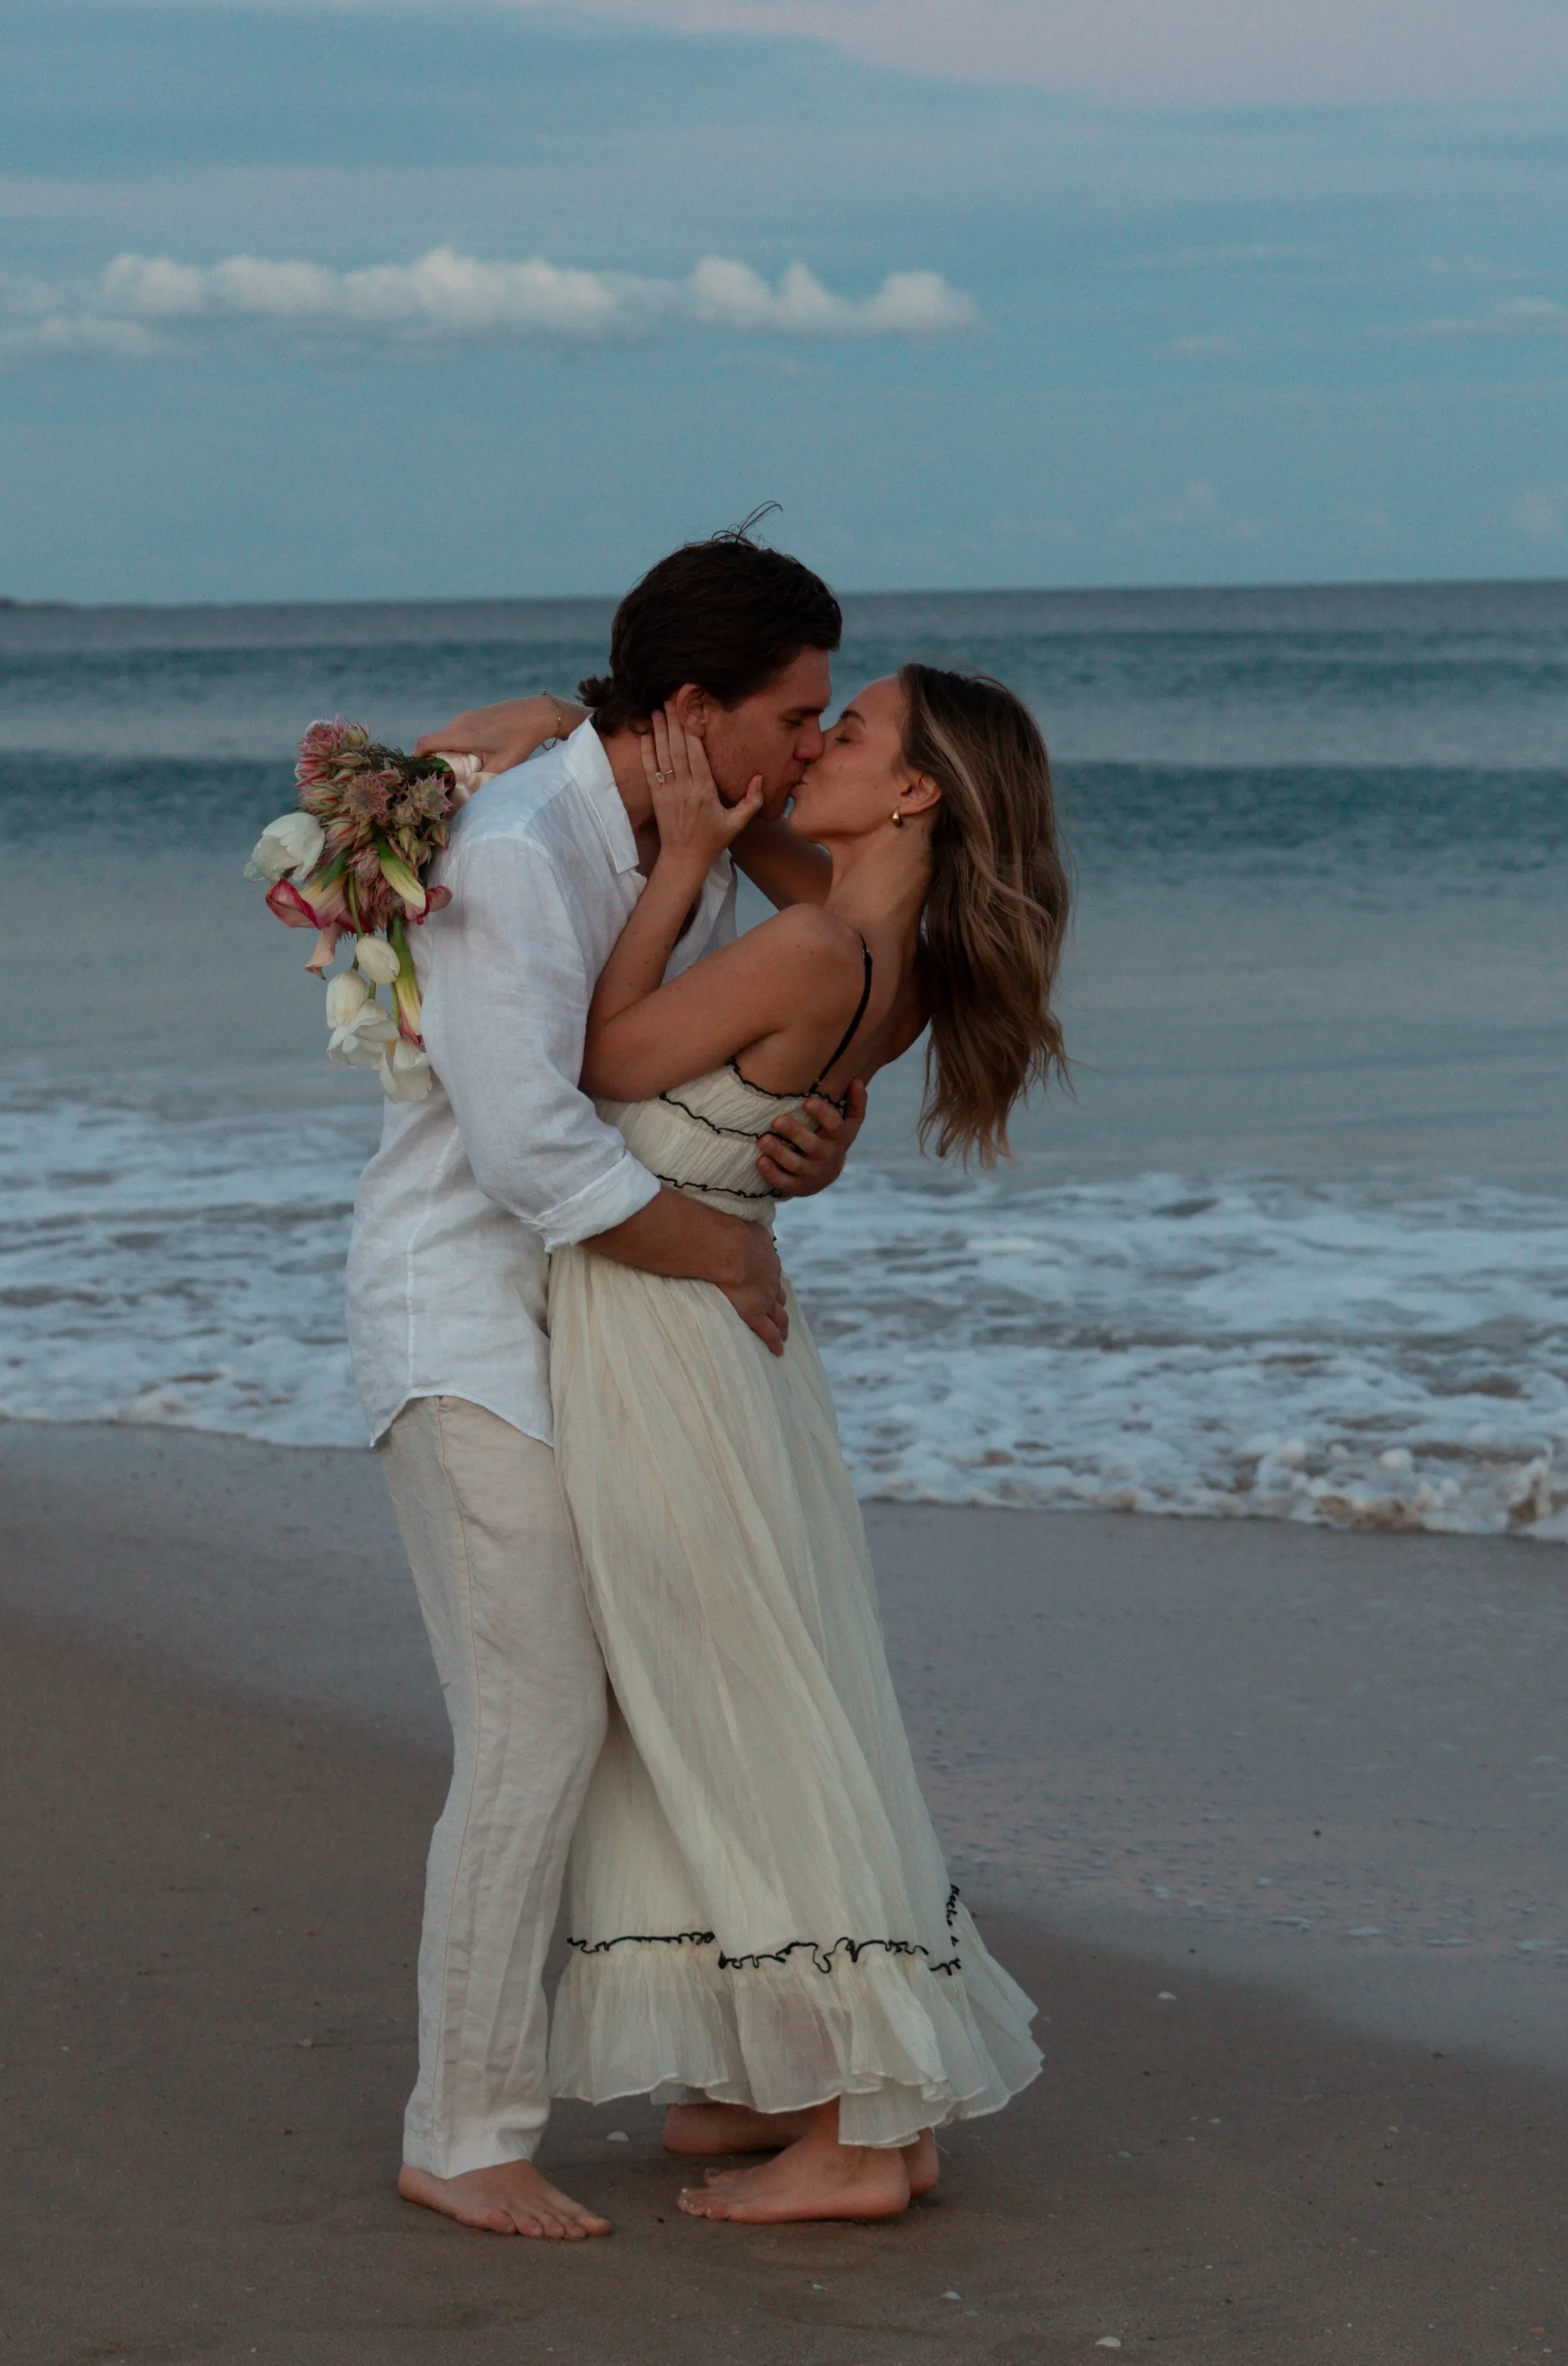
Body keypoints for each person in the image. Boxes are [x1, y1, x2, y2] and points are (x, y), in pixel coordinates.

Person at [348, 528, 868, 2241]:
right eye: (795, 715)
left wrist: (807, 1130)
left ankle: (741, 2071)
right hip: (466, 1327)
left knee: (656, 1689)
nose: (813, 744)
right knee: (537, 1723)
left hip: (595, 1324)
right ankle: (464, 2129)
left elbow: (733, 1036)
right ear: (695, 707)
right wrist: (724, 1253)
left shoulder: (680, 835)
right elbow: (526, 1146)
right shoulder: (518, 849)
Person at [540, 663, 1068, 2221]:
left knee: (744, 1712)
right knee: (759, 1691)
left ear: (912, 791)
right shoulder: (882, 950)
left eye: (850, 730)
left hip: (676, 1341)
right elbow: (759, 843)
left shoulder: (814, 943)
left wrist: (680, 865)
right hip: (720, 1339)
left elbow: (595, 1060)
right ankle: (824, 2083)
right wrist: (581, 744)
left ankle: (859, 2126)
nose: (814, 744)